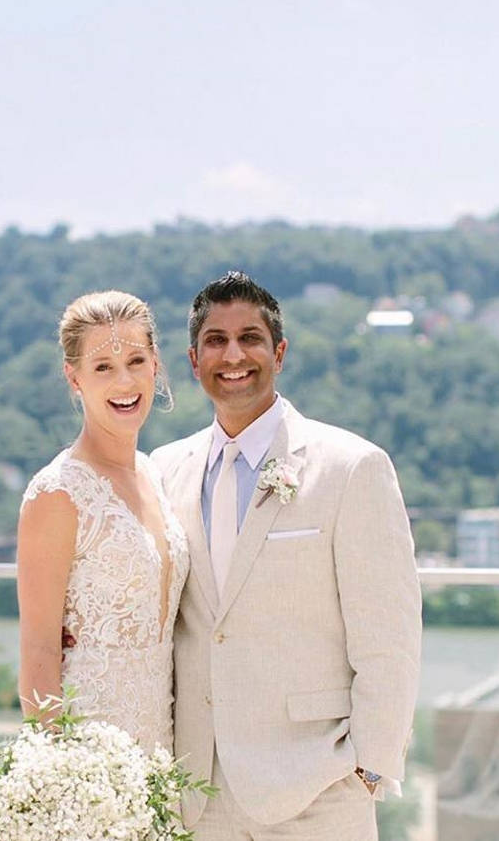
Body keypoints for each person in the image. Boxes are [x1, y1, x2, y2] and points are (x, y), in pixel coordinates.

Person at [150, 271, 422, 841]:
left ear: (279, 351)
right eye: (216, 341)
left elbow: (389, 637)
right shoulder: (164, 470)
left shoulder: (352, 467)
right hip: (197, 793)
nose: (234, 355)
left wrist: (369, 767)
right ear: (194, 359)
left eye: (250, 337)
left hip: (317, 786)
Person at [17, 291, 189, 752]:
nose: (124, 382)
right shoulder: (58, 493)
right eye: (103, 368)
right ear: (74, 378)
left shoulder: (157, 475)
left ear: (156, 365)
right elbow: (38, 652)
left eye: (136, 360)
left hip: (164, 749)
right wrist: (59, 773)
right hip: (91, 755)